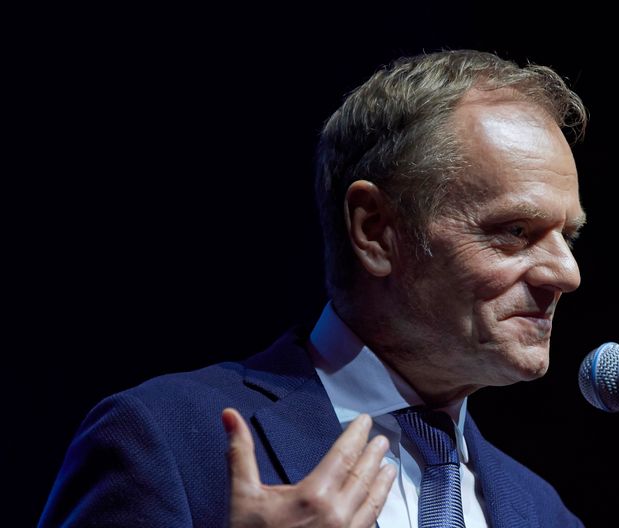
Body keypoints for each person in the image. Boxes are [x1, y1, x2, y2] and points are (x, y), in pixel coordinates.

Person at [40, 49, 588, 527]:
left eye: (567, 236)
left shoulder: (545, 513)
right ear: (375, 231)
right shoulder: (163, 440)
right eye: (515, 231)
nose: (567, 274)